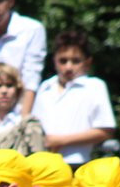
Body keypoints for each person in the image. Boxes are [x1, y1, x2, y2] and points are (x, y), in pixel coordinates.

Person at [30, 30, 115, 165]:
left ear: (87, 62)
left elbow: (105, 131)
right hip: (42, 165)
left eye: (75, 61)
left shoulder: (94, 87)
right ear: (54, 61)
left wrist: (62, 141)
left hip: (77, 164)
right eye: (63, 61)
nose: (68, 67)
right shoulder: (45, 87)